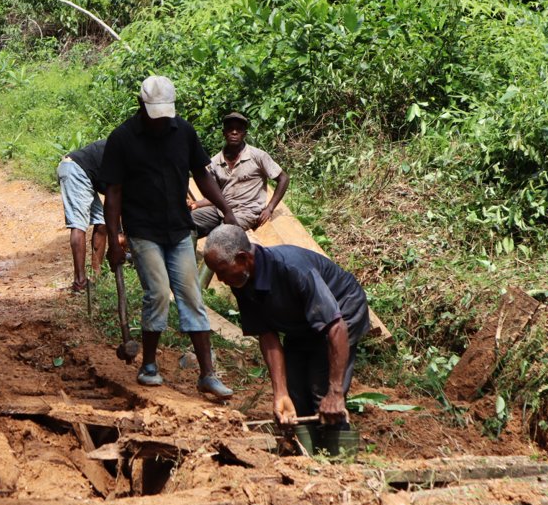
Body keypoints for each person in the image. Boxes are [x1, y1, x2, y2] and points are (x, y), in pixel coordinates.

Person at [101, 75, 238, 393]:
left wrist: (226, 210)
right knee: (159, 292)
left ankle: (207, 375)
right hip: (143, 229)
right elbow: (114, 192)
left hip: (178, 228)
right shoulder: (122, 139)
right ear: (141, 105)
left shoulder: (184, 132)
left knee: (191, 295)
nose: (161, 123)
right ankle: (149, 365)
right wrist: (113, 240)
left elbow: (201, 175)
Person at [202, 225, 370, 441]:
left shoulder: (293, 268)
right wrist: (280, 393)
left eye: (222, 271)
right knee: (294, 397)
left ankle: (336, 460)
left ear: (244, 258)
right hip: (302, 322)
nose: (220, 280)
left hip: (340, 312)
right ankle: (304, 456)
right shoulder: (241, 280)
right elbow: (267, 334)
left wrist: (336, 392)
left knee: (324, 397)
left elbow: (336, 327)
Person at [190, 112, 289, 236]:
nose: (234, 132)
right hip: (221, 209)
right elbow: (216, 194)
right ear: (224, 133)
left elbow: (283, 178)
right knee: (186, 223)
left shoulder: (258, 156)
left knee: (223, 235)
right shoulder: (215, 162)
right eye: (230, 129)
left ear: (244, 134)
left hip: (246, 211)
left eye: (239, 129)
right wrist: (197, 204)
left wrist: (270, 208)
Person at [57, 139, 108, 293]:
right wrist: (119, 233)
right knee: (79, 224)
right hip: (75, 170)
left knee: (102, 223)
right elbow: (116, 197)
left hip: (86, 174)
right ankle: (80, 282)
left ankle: (95, 277)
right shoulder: (128, 152)